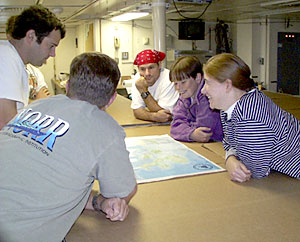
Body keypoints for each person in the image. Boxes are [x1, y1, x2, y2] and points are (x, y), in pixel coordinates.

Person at [0, 52, 137, 242]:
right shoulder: (107, 130)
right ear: (113, 98)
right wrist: (106, 200)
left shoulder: (35, 106)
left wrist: (98, 202)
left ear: (67, 86)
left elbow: (42, 184)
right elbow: (121, 194)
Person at [201, 53, 300, 182]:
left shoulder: (251, 118)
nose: (203, 90)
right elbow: (229, 143)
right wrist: (230, 158)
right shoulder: (230, 106)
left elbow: (253, 171)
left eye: (208, 83)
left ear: (227, 85)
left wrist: (231, 160)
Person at [0, 5, 65, 130]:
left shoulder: (15, 60)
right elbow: (4, 124)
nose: (53, 54)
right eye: (51, 46)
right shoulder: (5, 57)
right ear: (31, 36)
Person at [169, 56, 223, 142]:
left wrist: (186, 128)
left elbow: (204, 131)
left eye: (183, 82)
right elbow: (175, 125)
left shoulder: (207, 97)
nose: (178, 88)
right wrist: (191, 133)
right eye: (175, 83)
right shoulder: (185, 96)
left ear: (198, 78)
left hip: (216, 144)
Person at [6, 15, 52, 104]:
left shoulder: (35, 72)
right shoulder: (5, 68)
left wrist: (33, 102)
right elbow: (9, 107)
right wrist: (36, 102)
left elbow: (46, 100)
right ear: (9, 36)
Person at [131, 49, 179, 122]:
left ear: (159, 65)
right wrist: (154, 117)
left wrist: (143, 91)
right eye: (142, 69)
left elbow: (166, 115)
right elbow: (137, 111)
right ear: (138, 69)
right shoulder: (138, 78)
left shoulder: (169, 78)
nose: (147, 73)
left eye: (151, 67)